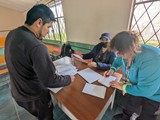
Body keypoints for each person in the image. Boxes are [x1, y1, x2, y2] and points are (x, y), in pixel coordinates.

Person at [5, 4, 75, 120]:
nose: (48, 31)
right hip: (34, 97)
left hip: (18, 92)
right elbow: (50, 81)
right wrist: (69, 79)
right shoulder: (37, 46)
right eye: (48, 27)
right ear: (39, 22)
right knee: (46, 117)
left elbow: (23, 61)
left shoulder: (12, 34)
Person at [104, 31, 160, 120]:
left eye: (119, 51)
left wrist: (123, 87)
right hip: (136, 86)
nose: (117, 54)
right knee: (130, 106)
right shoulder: (125, 52)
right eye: (116, 51)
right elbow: (118, 61)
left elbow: (146, 90)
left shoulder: (152, 59)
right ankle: (125, 117)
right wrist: (112, 69)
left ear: (131, 48)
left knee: (147, 115)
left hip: (155, 94)